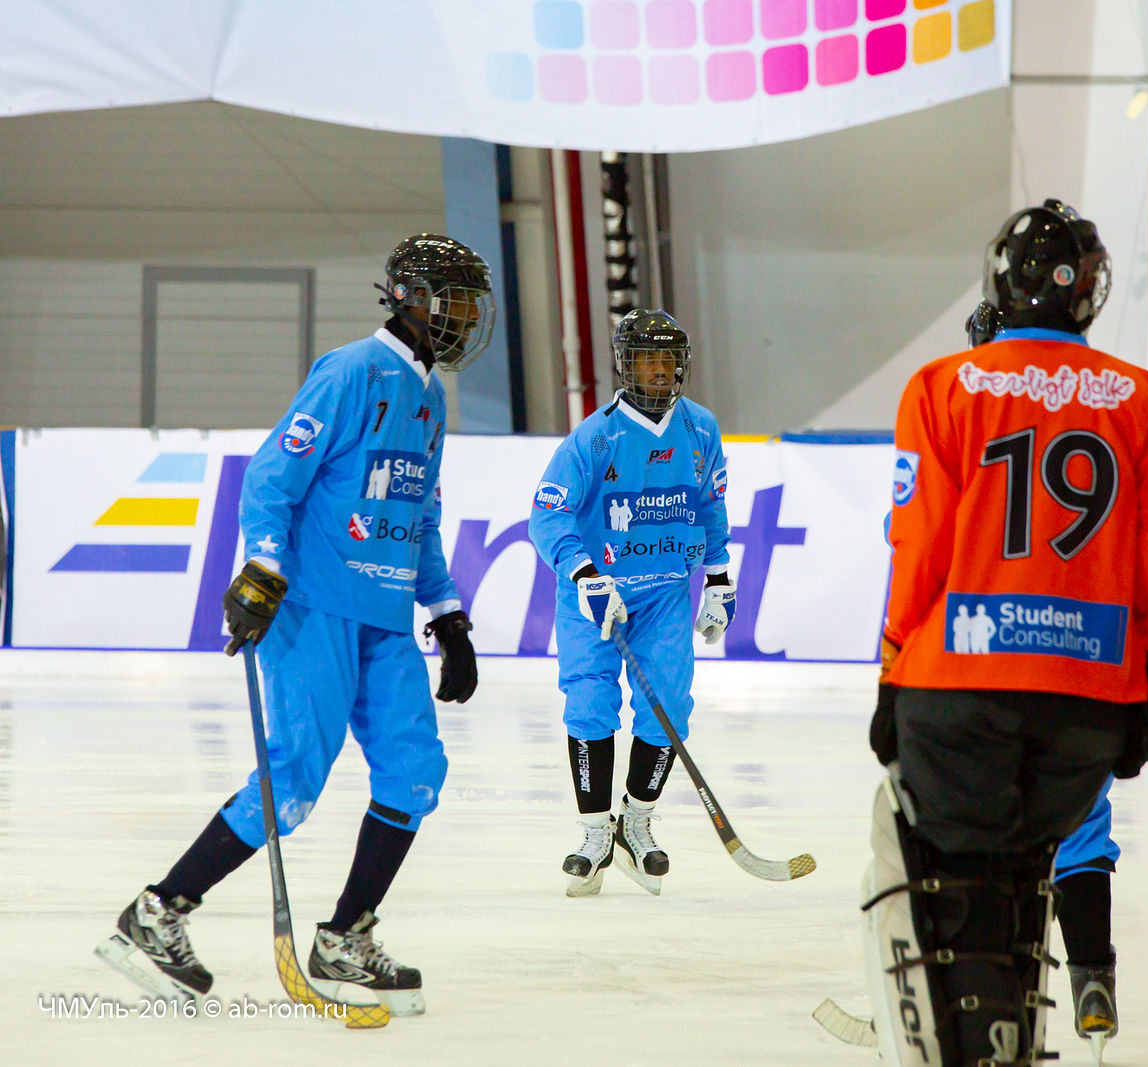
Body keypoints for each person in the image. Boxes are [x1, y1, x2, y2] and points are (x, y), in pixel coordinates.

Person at [96, 234, 490, 1016]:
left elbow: (419, 515)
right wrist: (262, 570)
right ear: (411, 297)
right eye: (458, 301)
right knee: (298, 776)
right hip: (314, 606)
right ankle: (158, 911)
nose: (468, 319)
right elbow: (272, 478)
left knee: (416, 771)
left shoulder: (430, 396)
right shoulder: (350, 372)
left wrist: (447, 615)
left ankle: (345, 936)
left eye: (476, 306)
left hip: (385, 618)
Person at [863, 202, 1148, 1065]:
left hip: (956, 688)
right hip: (1087, 701)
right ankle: (1023, 1018)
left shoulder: (941, 386)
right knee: (1032, 869)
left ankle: (981, 1033)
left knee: (957, 880)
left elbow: (918, 547)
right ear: (1089, 292)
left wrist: (893, 668)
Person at [964, 298, 1129, 1062]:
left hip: (991, 649)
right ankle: (1093, 976)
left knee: (992, 828)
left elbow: (917, 541)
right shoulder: (1113, 405)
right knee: (1081, 822)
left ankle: (1003, 1004)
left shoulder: (966, 411)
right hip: (1085, 648)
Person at [529, 308, 733, 898]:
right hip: (595, 596)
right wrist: (586, 575)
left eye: (668, 359)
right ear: (626, 365)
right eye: (647, 360)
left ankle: (636, 823)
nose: (659, 370)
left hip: (665, 592)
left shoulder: (700, 428)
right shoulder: (595, 437)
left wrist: (719, 579)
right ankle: (595, 834)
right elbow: (547, 514)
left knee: (667, 705)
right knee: (590, 702)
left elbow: (710, 505)